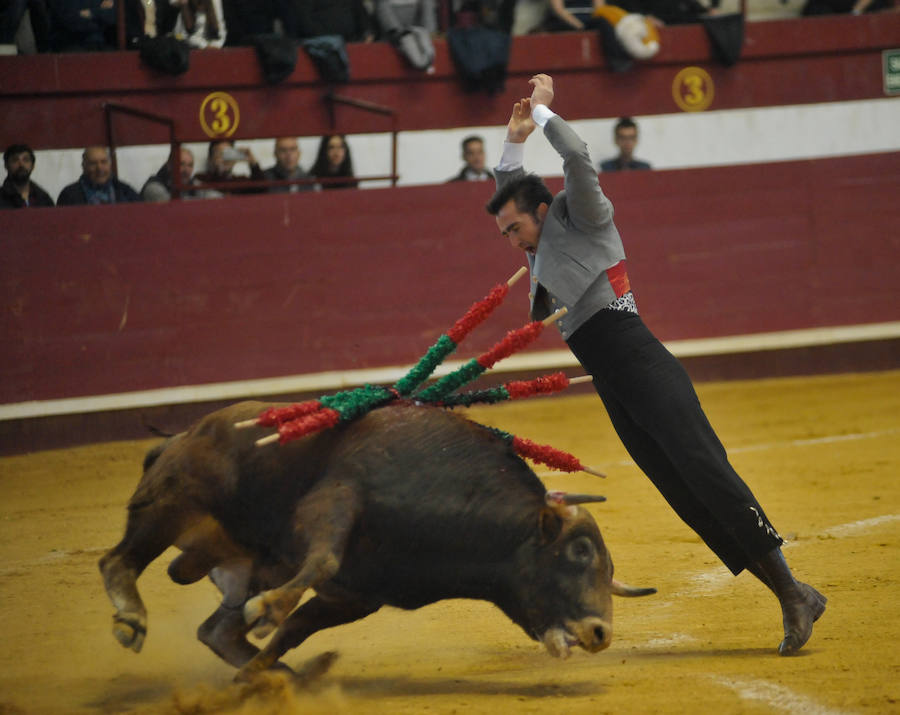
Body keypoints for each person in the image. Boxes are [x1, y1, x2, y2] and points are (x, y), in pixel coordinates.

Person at [485, 73, 826, 655]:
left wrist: (543, 113)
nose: (512, 240)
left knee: (707, 473)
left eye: (515, 228)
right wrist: (513, 141)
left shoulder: (584, 214)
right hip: (615, 380)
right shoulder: (541, 240)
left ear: (542, 212)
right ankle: (794, 593)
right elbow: (508, 189)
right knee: (682, 490)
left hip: (641, 361)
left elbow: (577, 154)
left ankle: (793, 592)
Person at [57, 146, 141, 205]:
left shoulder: (126, 192)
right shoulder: (69, 195)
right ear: (83, 166)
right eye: (93, 163)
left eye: (103, 162)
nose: (99, 168)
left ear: (109, 164)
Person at [141, 146, 212, 201]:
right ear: (169, 165)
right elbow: (173, 207)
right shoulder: (153, 187)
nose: (186, 170)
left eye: (190, 165)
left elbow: (212, 196)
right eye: (181, 164)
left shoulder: (192, 183)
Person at [194, 139, 265, 194]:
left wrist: (253, 163)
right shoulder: (201, 179)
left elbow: (262, 191)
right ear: (211, 158)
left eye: (228, 154)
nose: (225, 159)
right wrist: (220, 172)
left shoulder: (241, 182)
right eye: (220, 154)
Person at [1, 143, 54, 209]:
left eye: (25, 160)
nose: (21, 164)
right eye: (15, 160)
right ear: (6, 166)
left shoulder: (44, 199)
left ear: (33, 166)